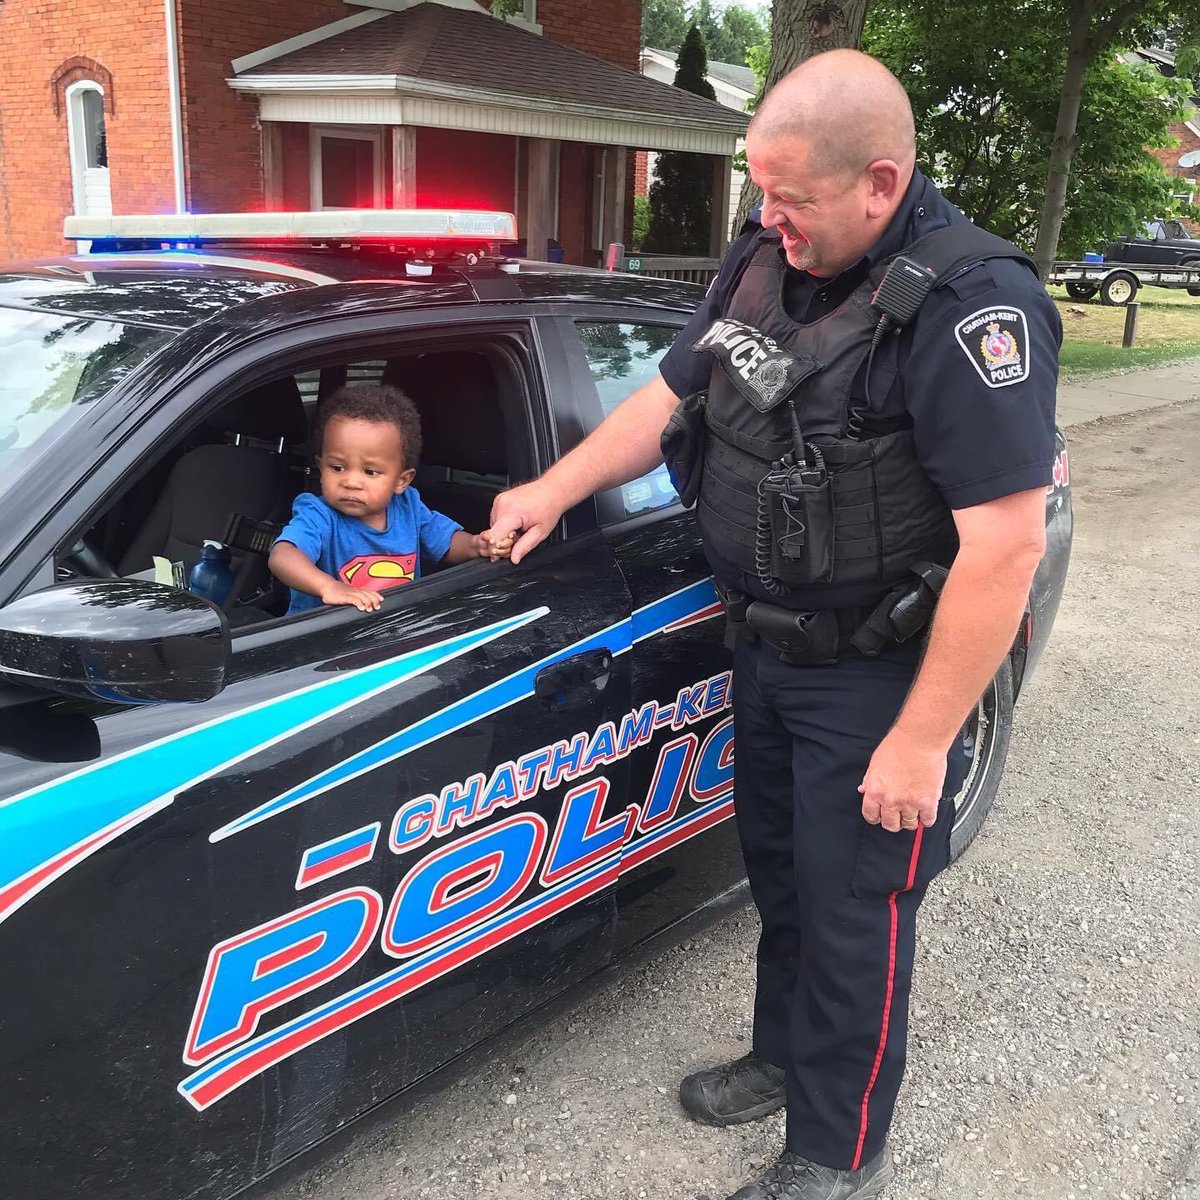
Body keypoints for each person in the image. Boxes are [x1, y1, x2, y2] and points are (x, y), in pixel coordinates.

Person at [486, 48, 1060, 1200]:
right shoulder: (765, 255)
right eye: (763, 192)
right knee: (786, 876)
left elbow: (1005, 544)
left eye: (791, 201)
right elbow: (672, 393)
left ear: (881, 185)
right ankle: (783, 1058)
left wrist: (920, 739)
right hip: (764, 643)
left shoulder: (972, 311)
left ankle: (837, 1157)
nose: (769, 218)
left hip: (876, 668)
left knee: (857, 912)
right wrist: (553, 489)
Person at [270, 383, 511, 615]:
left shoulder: (409, 507)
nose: (351, 482)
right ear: (321, 468)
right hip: (323, 640)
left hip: (390, 627)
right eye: (337, 467)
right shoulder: (318, 514)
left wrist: (475, 545)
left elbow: (445, 541)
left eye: (370, 472)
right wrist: (327, 586)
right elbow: (283, 556)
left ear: (401, 481)